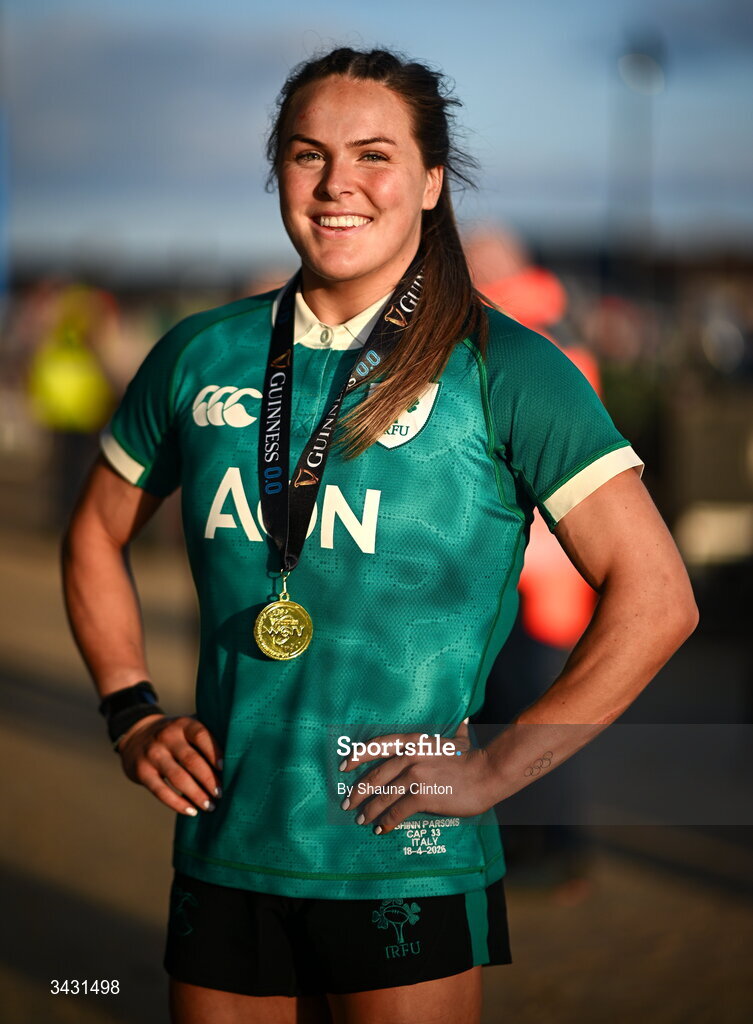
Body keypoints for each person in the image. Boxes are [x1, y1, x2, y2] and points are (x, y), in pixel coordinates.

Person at [61, 47, 698, 1024]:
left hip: (403, 851)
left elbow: (658, 596)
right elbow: (95, 536)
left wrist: (496, 767)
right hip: (227, 841)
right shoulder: (200, 352)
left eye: (374, 154)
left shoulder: (505, 366)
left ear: (432, 180)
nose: (337, 185)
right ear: (278, 169)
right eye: (308, 154)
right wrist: (130, 709)